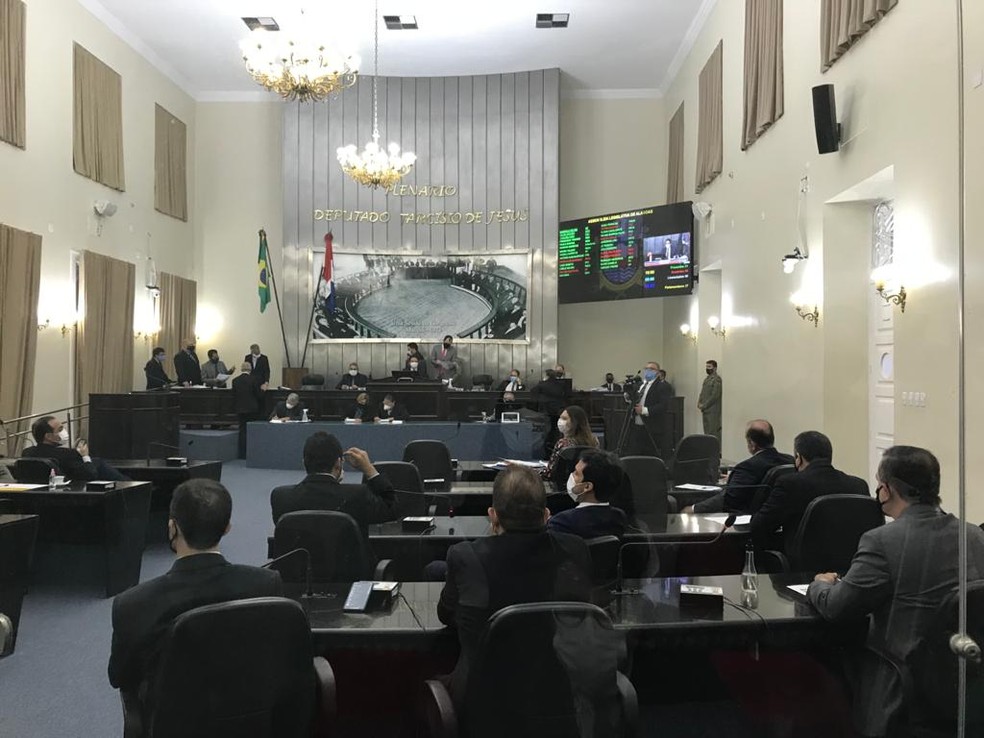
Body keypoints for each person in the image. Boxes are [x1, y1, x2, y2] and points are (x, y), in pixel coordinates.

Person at [808, 446, 984, 737]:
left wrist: (820, 584)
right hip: (967, 678)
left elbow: (837, 608)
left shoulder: (882, 541)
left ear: (886, 489)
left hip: (901, 682)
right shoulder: (975, 536)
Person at [108, 479, 282, 715]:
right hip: (249, 721)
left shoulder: (132, 604)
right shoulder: (266, 585)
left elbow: (120, 677)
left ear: (172, 527)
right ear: (227, 527)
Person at [437, 465, 592, 707]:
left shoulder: (465, 556)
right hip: (561, 698)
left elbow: (446, 615)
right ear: (546, 515)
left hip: (484, 703)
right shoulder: (575, 550)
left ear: (493, 515)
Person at [750, 430, 868, 551]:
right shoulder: (859, 485)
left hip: (802, 565)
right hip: (852, 562)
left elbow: (759, 526)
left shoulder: (789, 484)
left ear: (799, 458)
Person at [270, 432, 397, 538]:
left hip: (298, 568)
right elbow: (392, 509)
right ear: (338, 463)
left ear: (304, 463)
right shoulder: (357, 495)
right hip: (348, 568)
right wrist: (369, 469)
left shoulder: (280, 497)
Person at [687, 420, 794, 514]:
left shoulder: (746, 467)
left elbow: (728, 500)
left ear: (752, 443)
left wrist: (693, 509)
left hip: (747, 524)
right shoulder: (790, 461)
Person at [547, 449, 627, 539]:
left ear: (587, 487)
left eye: (576, 473)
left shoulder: (561, 523)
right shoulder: (619, 517)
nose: (572, 475)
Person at [23, 416, 126, 481]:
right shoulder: (68, 454)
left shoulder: (27, 453)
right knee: (98, 463)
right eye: (60, 429)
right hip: (72, 495)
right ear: (48, 436)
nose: (64, 431)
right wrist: (85, 455)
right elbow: (90, 474)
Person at [627, 361, 672, 458]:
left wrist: (645, 410)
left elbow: (664, 406)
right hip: (636, 425)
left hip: (652, 427)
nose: (648, 371)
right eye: (646, 368)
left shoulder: (663, 386)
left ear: (657, 372)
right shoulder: (639, 385)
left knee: (650, 455)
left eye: (651, 369)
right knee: (636, 453)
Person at [542, 405, 598, 481]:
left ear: (574, 422)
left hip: (561, 485)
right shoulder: (594, 441)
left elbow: (549, 473)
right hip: (584, 483)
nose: (560, 421)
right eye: (560, 417)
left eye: (564, 418)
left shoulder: (562, 443)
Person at [530, 367, 569, 457]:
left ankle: (547, 452)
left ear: (547, 375)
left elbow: (533, 392)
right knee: (557, 430)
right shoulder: (560, 384)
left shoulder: (542, 384)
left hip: (547, 411)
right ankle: (557, 448)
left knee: (547, 431)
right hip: (558, 410)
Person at [232, 362, 265, 459]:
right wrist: (263, 390)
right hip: (252, 409)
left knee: (242, 430)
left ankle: (242, 454)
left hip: (240, 408)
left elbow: (234, 395)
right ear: (250, 369)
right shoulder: (254, 380)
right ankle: (252, 453)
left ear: (242, 369)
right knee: (252, 430)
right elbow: (259, 395)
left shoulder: (235, 380)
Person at [698, 360, 722, 441]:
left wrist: (705, 405)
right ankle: (708, 450)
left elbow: (715, 395)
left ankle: (715, 452)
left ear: (715, 368)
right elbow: (702, 392)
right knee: (707, 432)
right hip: (705, 410)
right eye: (706, 367)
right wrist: (699, 402)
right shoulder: (707, 379)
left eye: (709, 367)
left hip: (712, 410)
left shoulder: (716, 379)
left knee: (713, 432)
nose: (707, 368)